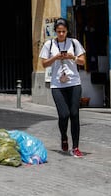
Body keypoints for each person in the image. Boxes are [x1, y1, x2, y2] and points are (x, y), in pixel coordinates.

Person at [39, 18, 86, 158]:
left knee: (75, 114)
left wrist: (72, 57)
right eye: (58, 31)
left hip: (74, 83)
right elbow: (44, 64)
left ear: (67, 31)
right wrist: (56, 58)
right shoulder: (49, 44)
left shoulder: (74, 43)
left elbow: (83, 61)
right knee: (64, 115)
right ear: (55, 31)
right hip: (57, 85)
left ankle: (76, 147)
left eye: (63, 31)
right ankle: (64, 136)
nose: (61, 34)